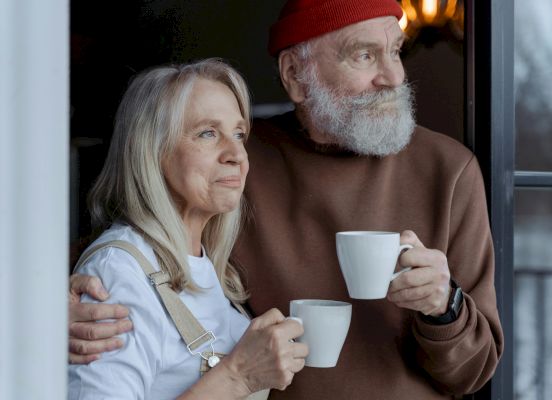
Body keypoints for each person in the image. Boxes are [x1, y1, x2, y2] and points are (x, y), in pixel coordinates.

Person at [69, 1, 504, 399]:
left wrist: (444, 306)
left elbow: (472, 372)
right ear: (296, 75)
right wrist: (57, 306)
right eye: (365, 55)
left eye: (395, 51)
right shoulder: (234, 164)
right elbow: (130, 248)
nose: (393, 77)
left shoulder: (449, 170)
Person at [68, 58, 308, 400]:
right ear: (152, 150)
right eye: (208, 133)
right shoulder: (118, 275)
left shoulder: (205, 264)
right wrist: (237, 377)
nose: (236, 154)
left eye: (239, 134)